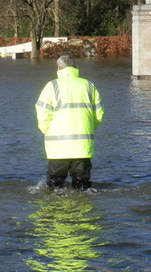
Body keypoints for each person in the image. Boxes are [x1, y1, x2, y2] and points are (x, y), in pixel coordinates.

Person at [35, 53, 104, 190]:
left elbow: (42, 113)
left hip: (58, 148)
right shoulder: (89, 86)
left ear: (58, 68)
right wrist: (87, 128)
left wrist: (47, 131)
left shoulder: (51, 86)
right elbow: (99, 114)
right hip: (82, 147)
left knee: (54, 189)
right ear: (75, 66)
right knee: (82, 188)